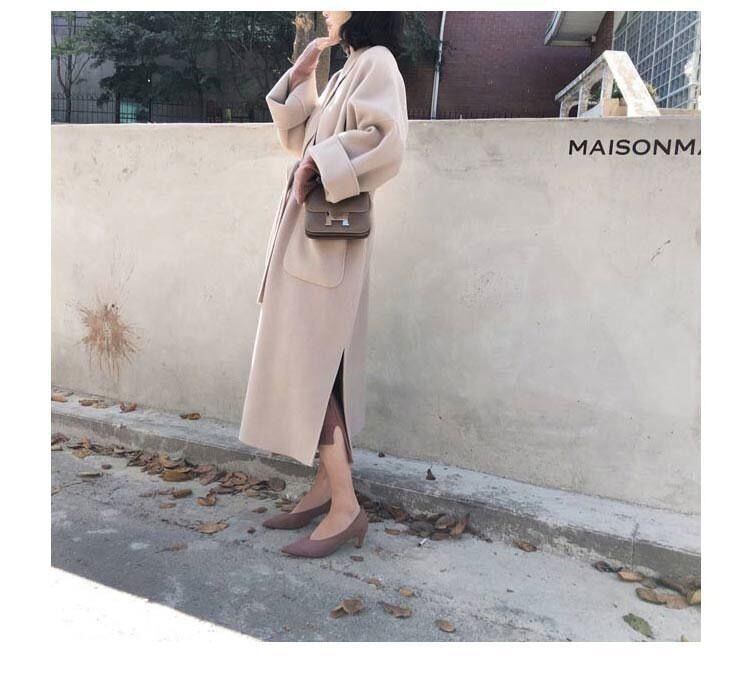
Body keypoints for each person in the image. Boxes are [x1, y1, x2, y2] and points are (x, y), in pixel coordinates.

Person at [238, 11, 409, 558]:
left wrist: (320, 161)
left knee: (314, 370)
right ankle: (324, 490)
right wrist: (302, 75)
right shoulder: (348, 69)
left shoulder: (378, 63)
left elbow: (387, 141)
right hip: (308, 240)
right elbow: (300, 139)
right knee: (318, 369)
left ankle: (347, 508)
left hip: (329, 240)